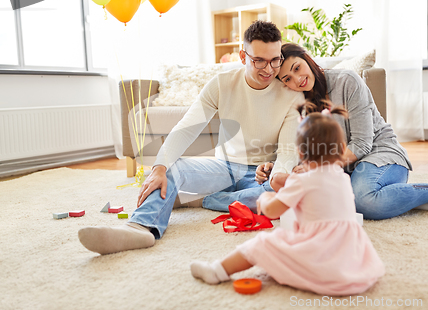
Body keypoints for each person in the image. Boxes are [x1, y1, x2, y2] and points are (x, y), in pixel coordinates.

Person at [77, 21, 304, 255]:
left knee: (281, 194)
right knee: (170, 170)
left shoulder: (291, 96)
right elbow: (186, 128)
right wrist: (159, 166)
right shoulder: (221, 84)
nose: (269, 69)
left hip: (262, 174)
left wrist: (278, 177)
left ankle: (199, 201)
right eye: (259, 61)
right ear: (243, 56)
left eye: (275, 60)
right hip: (223, 167)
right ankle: (140, 227)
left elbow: (287, 151)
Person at [258, 43, 428, 220]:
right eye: (287, 78)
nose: (297, 79)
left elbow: (362, 143)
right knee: (311, 191)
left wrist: (319, 169)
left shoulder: (346, 81)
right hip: (346, 169)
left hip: (380, 154)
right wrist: (278, 166)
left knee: (364, 201)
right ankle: (407, 199)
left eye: (297, 68)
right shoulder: (298, 105)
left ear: (307, 59)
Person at [190, 104, 385, 296]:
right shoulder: (342, 178)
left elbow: (273, 211)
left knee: (263, 243)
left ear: (300, 152)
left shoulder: (301, 181)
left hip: (321, 256)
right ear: (342, 148)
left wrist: (266, 198)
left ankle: (217, 271)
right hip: (350, 260)